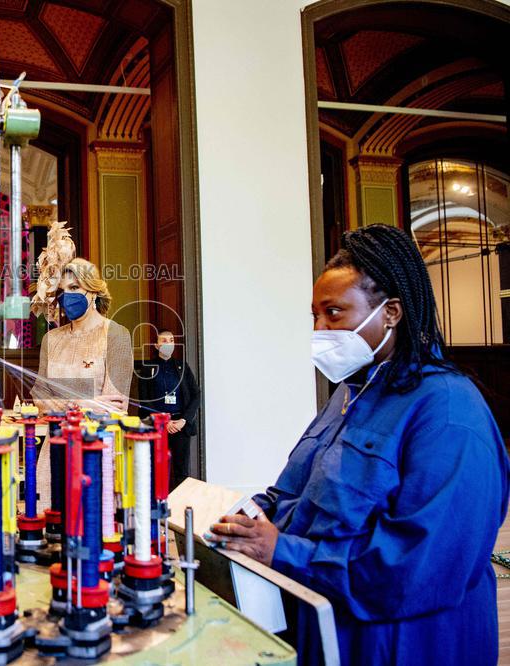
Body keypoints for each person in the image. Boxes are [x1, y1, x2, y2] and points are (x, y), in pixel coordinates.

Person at [205, 225, 509, 666]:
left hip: (407, 643)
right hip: (331, 629)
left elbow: (421, 564)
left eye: (334, 313)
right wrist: (247, 518)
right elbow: (298, 493)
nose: (320, 329)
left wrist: (282, 551)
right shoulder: (352, 394)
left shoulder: (448, 411)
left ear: (391, 312)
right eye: (315, 316)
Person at [32, 258, 133, 413]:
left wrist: (57, 405)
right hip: (54, 433)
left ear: (93, 292)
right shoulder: (50, 339)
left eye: (74, 287)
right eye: (62, 291)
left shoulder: (116, 334)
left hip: (97, 434)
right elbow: (39, 398)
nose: (67, 296)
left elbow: (114, 406)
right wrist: (81, 404)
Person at [138, 330, 200, 491]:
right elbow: (144, 399)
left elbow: (196, 394)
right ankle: (159, 506)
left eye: (171, 340)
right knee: (156, 468)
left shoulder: (182, 366)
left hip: (180, 425)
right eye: (164, 341)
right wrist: (163, 421)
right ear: (157, 345)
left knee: (181, 471)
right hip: (158, 426)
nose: (168, 344)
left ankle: (180, 506)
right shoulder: (148, 368)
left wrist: (184, 420)